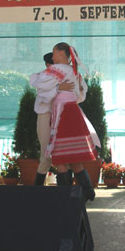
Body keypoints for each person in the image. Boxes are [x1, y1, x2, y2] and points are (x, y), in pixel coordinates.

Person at [34, 42, 97, 201]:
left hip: (61, 114)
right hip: (71, 112)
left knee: (59, 156)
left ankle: (65, 195)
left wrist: (56, 88)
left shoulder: (57, 70)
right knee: (73, 157)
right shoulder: (75, 72)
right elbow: (79, 95)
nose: (53, 56)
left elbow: (39, 83)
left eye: (54, 52)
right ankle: (87, 192)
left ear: (61, 54)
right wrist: (59, 88)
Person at [29, 52, 76, 185]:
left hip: (63, 114)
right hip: (46, 115)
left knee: (64, 152)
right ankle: (39, 188)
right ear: (48, 65)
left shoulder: (69, 73)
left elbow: (79, 93)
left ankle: (68, 189)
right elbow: (43, 96)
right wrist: (57, 89)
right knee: (46, 153)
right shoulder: (42, 77)